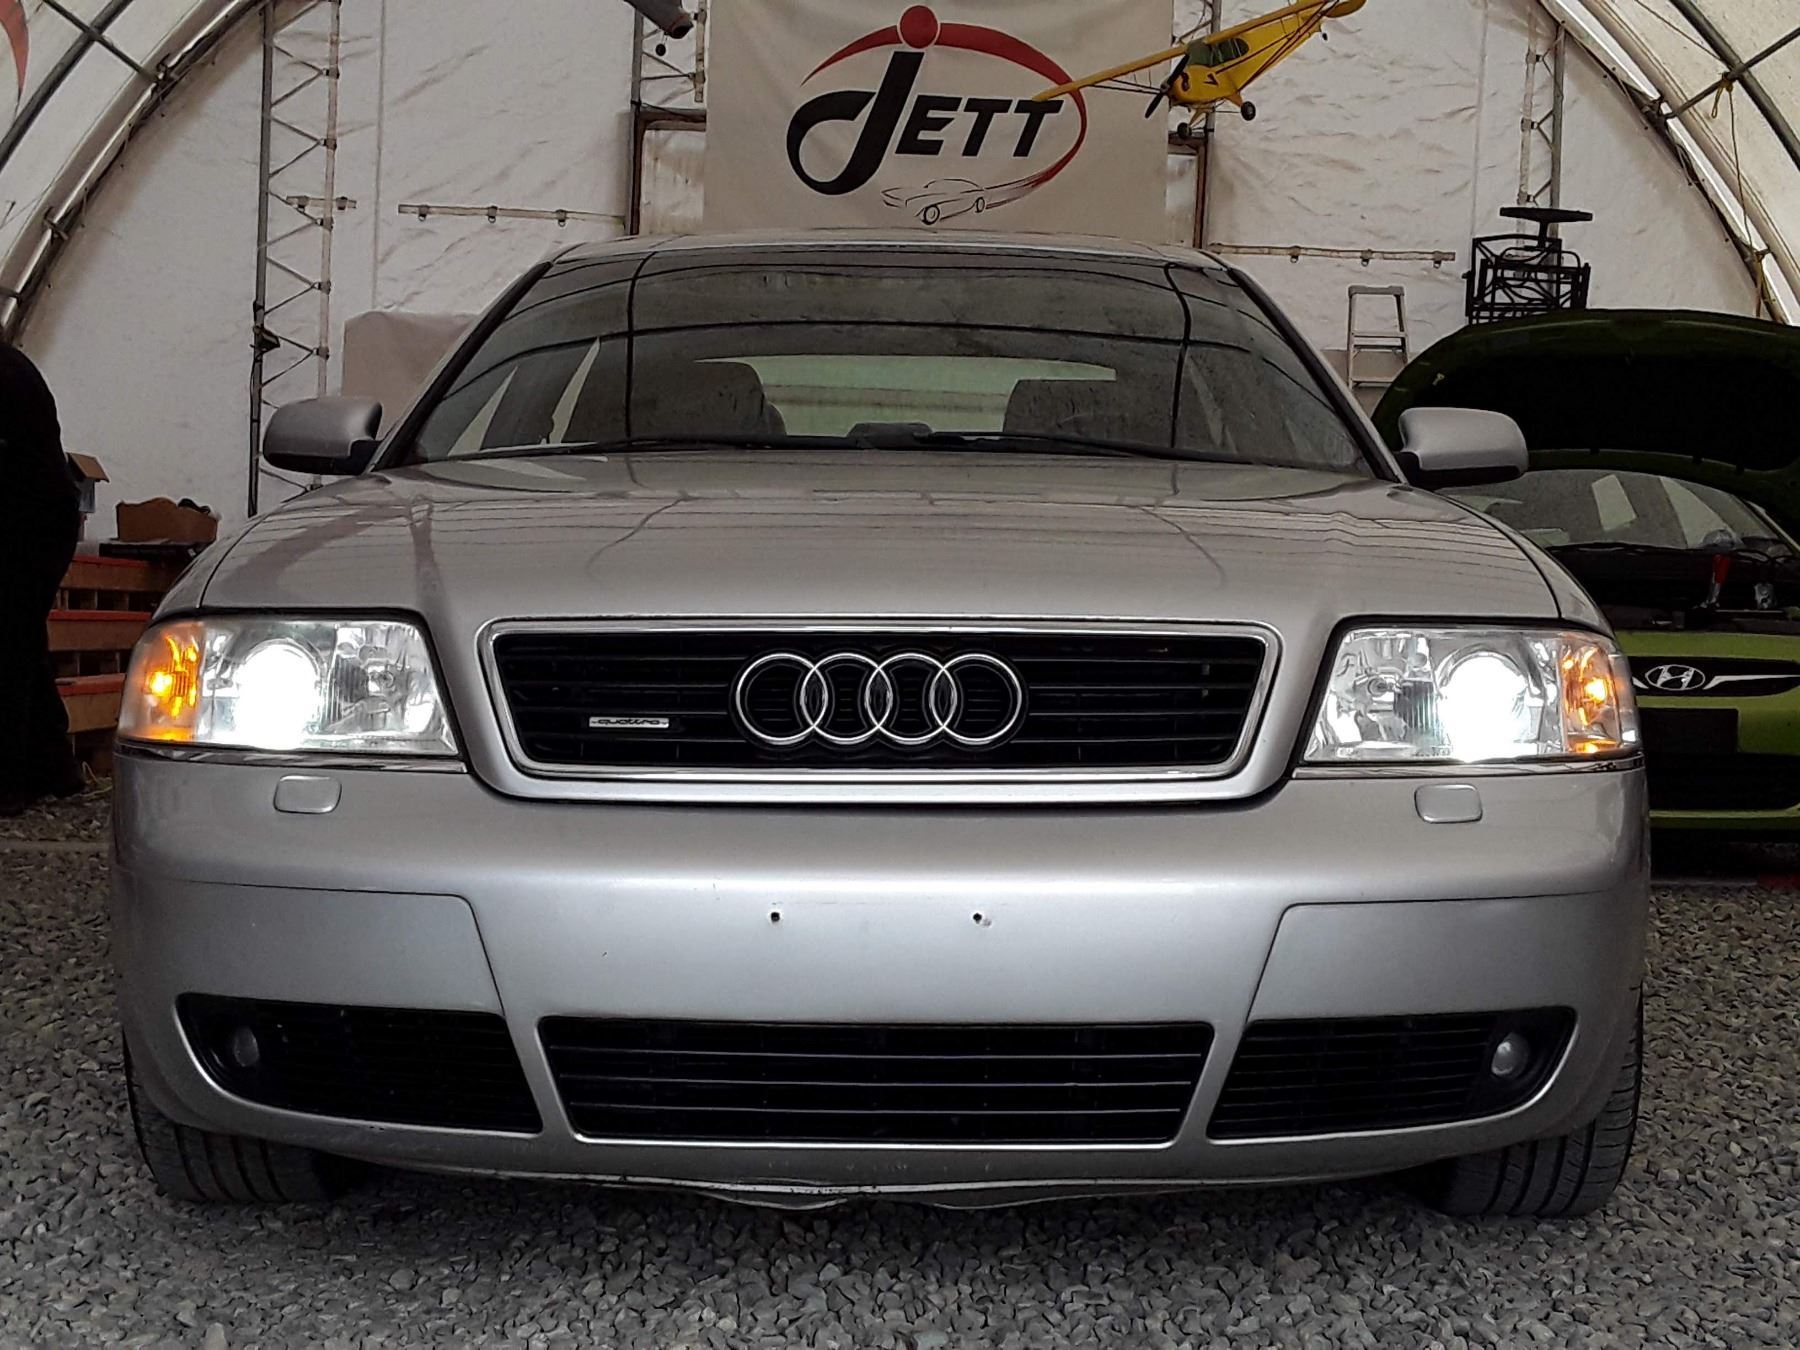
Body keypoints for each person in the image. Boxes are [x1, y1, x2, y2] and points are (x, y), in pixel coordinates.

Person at [0, 339, 84, 815]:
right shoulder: (13, 365)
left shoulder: (6, 372)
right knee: (23, 643)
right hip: (43, 517)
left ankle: (9, 781)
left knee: (9, 647)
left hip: (26, 523)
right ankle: (55, 767)